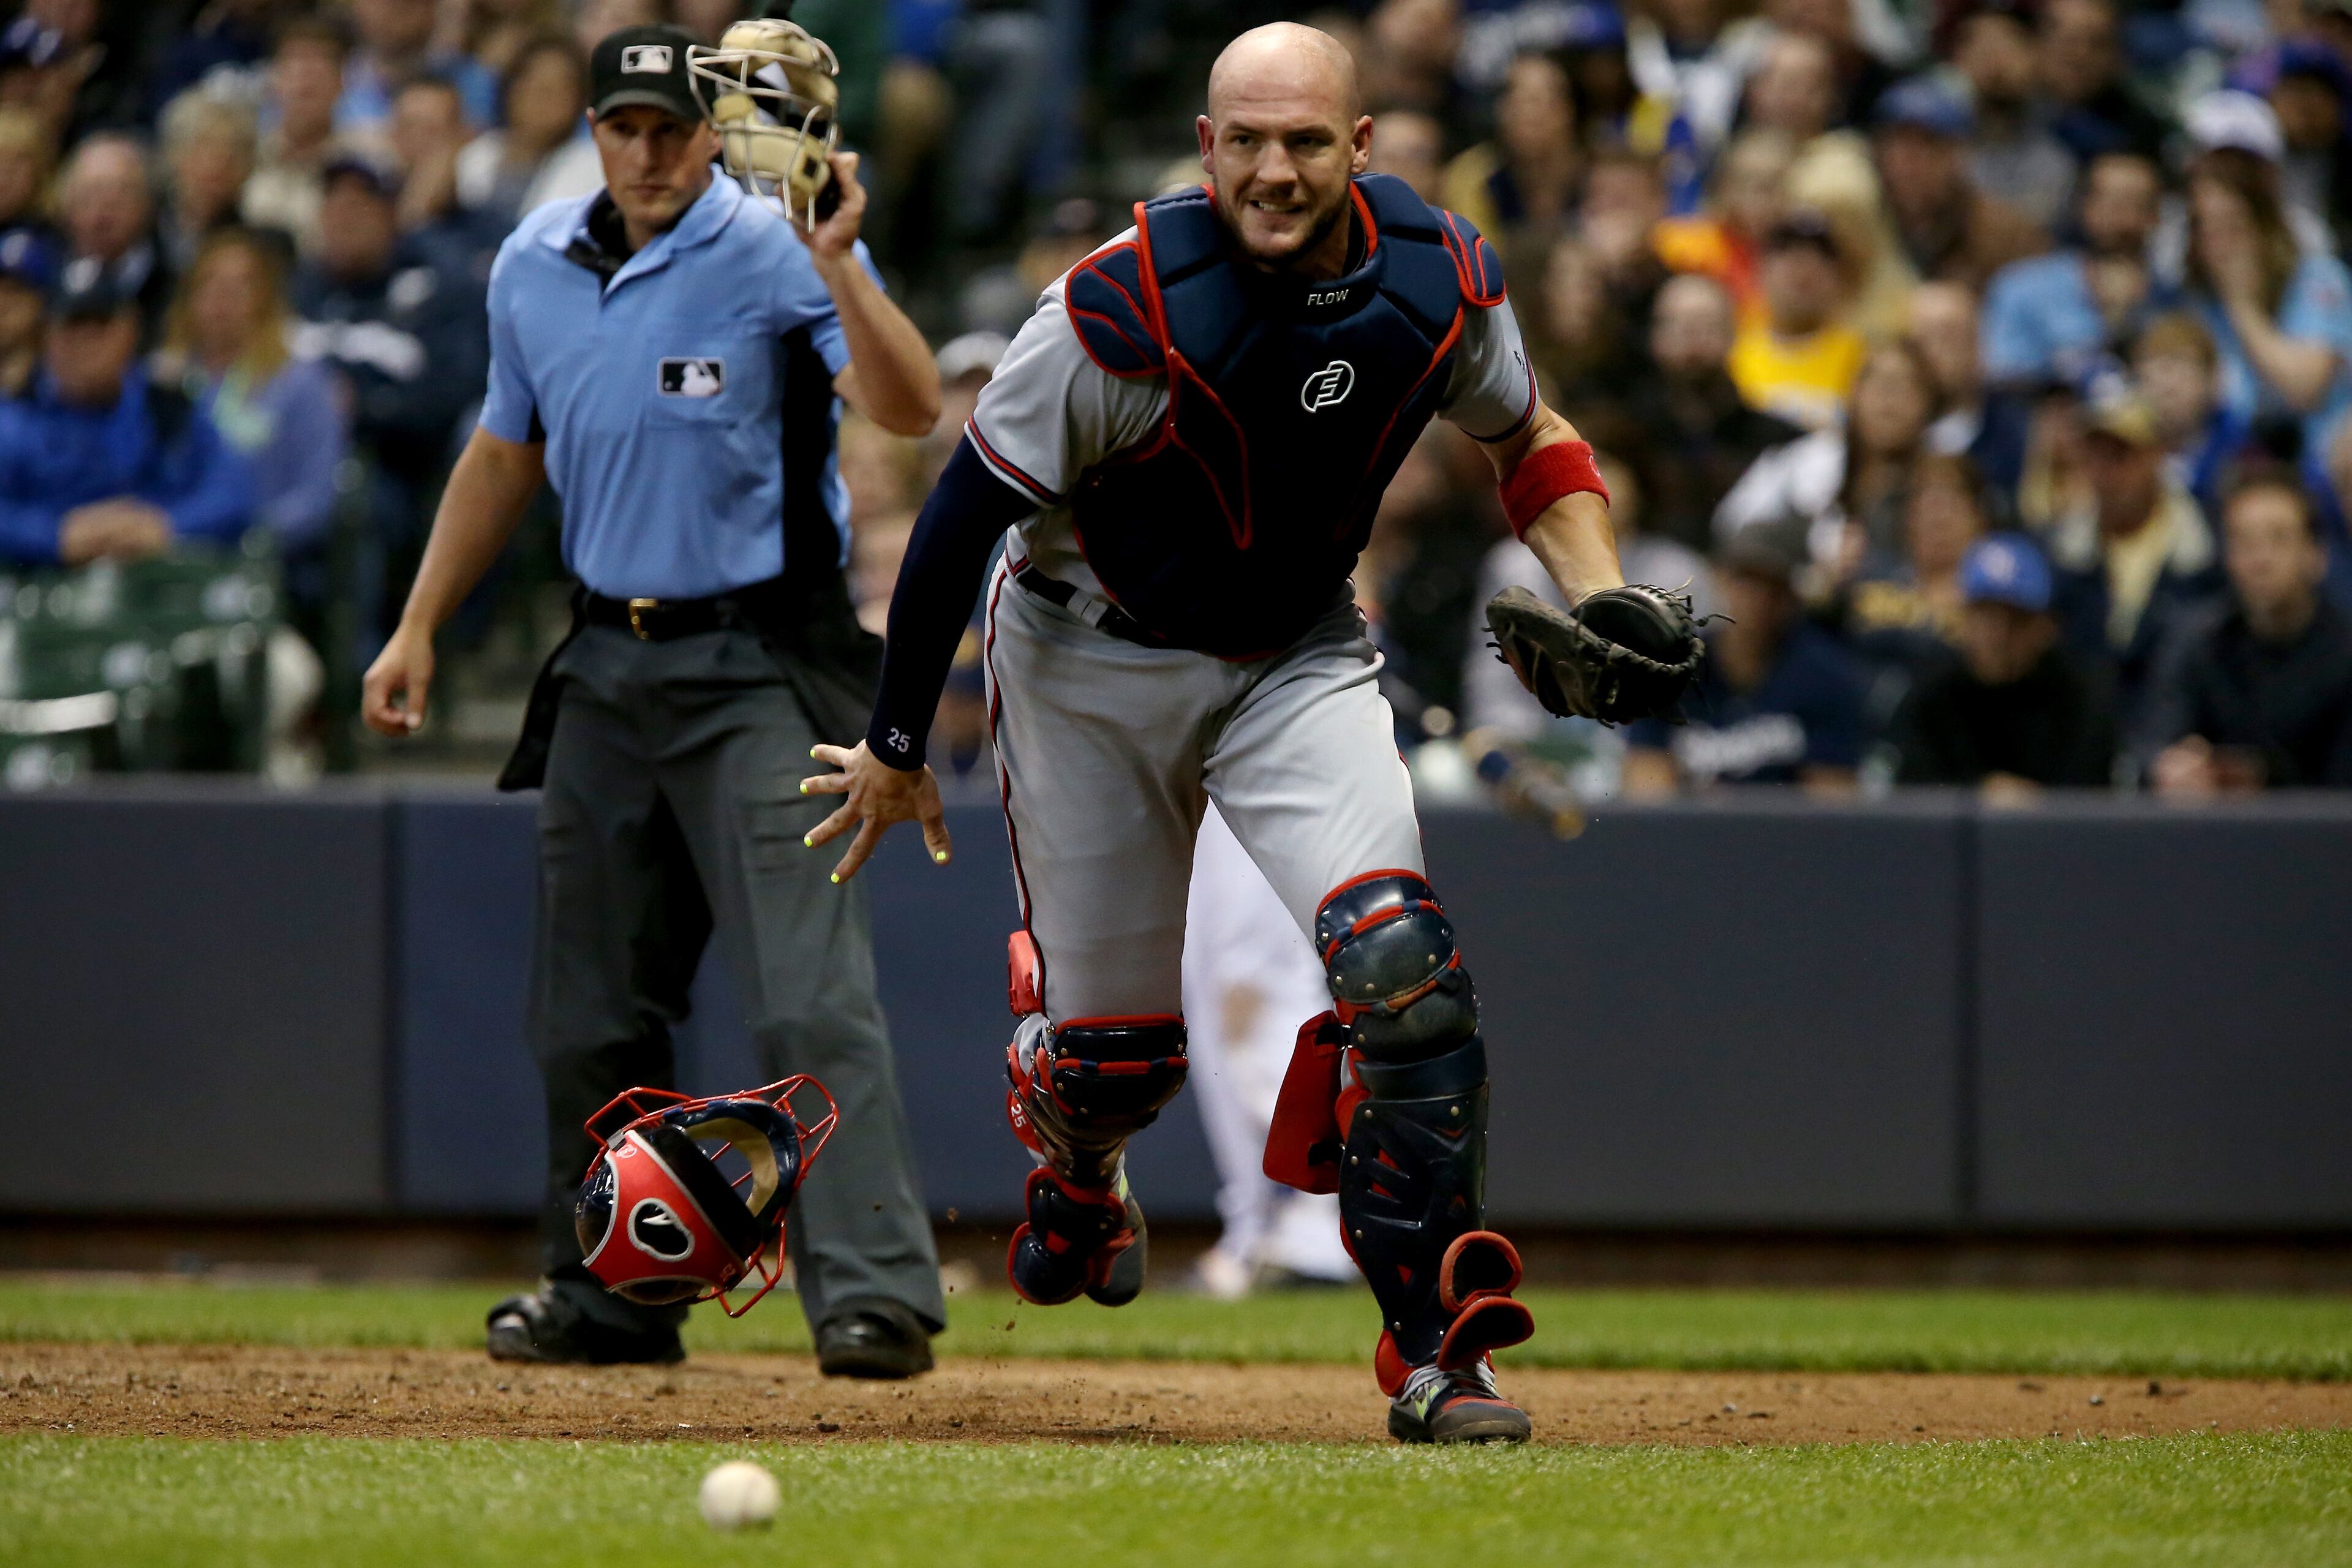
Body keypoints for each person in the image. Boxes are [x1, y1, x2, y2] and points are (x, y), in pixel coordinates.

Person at [805, 24, 1651, 1445]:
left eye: (1306, 141)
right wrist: (895, 741)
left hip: (1295, 654)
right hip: (1084, 660)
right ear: (1203, 148)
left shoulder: (1436, 276)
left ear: (1360, 147)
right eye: (1246, 141)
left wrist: (1602, 588)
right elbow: (960, 511)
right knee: (1113, 1062)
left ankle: (1435, 1343)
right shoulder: (1115, 310)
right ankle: (1073, 1146)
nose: (1274, 168)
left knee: (1403, 970)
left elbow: (1528, 435)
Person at [360, 24, 949, 1379]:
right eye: (623, 127)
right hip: (607, 669)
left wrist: (841, 264)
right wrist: (417, 624)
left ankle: (874, 1293)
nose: (647, 152)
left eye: (672, 128)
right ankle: (613, 1292)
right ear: (595, 131)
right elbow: (504, 453)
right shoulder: (530, 263)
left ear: (713, 130)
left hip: (758, 668)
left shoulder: (770, 246)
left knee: (807, 998)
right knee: (587, 1012)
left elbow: (911, 409)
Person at [1180, 803, 1355, 1300]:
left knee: (1255, 988)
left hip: (1254, 748)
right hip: (1195, 758)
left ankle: (1310, 1226)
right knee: (1213, 997)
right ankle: (1256, 1229)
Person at [291, 156, 487, 562]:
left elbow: (448, 400)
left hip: (392, 467)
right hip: (290, 459)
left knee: (360, 505)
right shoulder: (297, 292)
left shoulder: (436, 292)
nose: (343, 219)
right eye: (333, 206)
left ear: (391, 217)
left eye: (359, 207)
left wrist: (362, 409)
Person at [0, 261, 253, 567]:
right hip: (44, 590)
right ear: (47, 338)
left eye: (101, 328)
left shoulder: (167, 406)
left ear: (130, 332)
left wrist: (166, 525)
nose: (87, 346)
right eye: (72, 328)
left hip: (159, 586)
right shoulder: (16, 416)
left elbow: (235, 491)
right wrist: (56, 535)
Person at [160, 228, 347, 639]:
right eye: (209, 283)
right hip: (164, 566)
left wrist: (246, 538)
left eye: (239, 285)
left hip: (268, 571)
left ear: (266, 297)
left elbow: (316, 499)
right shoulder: (163, 383)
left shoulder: (300, 384)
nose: (221, 300)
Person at [2144, 475, 2352, 791]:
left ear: (2318, 555)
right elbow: (2154, 740)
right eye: (2244, 542)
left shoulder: (2344, 652)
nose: (2261, 560)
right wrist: (2173, 766)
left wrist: (2263, 778)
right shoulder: (2198, 642)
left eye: (2279, 539)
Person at [1622, 529, 1865, 794]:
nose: (1757, 598)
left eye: (1772, 585)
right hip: (1693, 831)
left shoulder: (1824, 675)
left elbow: (1833, 805)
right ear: (1719, 579)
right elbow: (1646, 791)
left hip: (1787, 832)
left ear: (1793, 593)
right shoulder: (1671, 671)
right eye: (1744, 580)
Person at [2182, 94, 2352, 472]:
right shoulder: (2194, 298)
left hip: (2322, 465)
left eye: (2232, 227)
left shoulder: (2317, 278)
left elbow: (2305, 389)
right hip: (2231, 469)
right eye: (2207, 231)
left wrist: (2243, 306)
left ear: (2264, 226)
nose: (2220, 247)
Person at [2045, 386, 2225, 728]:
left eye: (2121, 455)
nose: (2107, 472)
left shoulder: (2206, 554)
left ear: (2155, 457)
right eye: (2095, 456)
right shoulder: (2061, 557)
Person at [1587, 271, 1801, 552]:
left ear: (1733, 334)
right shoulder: (1624, 435)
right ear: (1655, 338)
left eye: (1706, 325)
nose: (1692, 339)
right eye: (1678, 325)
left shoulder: (1777, 440)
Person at [1895, 532, 2117, 793]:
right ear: (1963, 618)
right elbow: (1911, 790)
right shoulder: (1933, 693)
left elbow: (2090, 795)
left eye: (2015, 619)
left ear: (2044, 628)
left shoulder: (2079, 697)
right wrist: (1979, 795)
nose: (1997, 635)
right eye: (1984, 615)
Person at [1979, 149, 2166, 386]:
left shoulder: (2172, 301)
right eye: (2110, 202)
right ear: (2085, 207)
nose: (2121, 219)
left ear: (2156, 217)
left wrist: (2125, 318)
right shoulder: (2021, 287)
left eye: (2136, 205)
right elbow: (2003, 380)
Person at [1726, 208, 1865, 431]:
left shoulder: (1864, 362)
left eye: (1819, 256)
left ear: (1840, 277)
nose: (1803, 267)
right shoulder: (1731, 353)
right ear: (1761, 270)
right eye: (1787, 253)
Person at [1948, 0, 2078, 232]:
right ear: (1958, 58)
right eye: (1982, 46)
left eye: (2008, 44)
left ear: (2036, 54)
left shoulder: (2064, 148)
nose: (1995, 61)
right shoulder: (1933, 144)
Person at [454, 33, 598, 224]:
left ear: (579, 101)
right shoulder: (475, 153)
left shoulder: (592, 167)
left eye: (558, 87)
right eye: (531, 81)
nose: (541, 95)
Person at [1909, 281, 2029, 500]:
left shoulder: (2016, 428)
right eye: (1922, 340)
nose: (1933, 352)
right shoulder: (1891, 438)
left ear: (1978, 345)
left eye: (1949, 336)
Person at [243, 17, 347, 257]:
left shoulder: (367, 157)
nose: (306, 77)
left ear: (342, 83)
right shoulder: (245, 154)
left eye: (321, 65)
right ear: (273, 82)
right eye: (294, 65)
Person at [55, 133, 172, 341]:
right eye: (89, 195)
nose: (101, 216)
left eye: (119, 198)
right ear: (67, 204)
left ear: (146, 205)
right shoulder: (41, 278)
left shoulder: (172, 287)